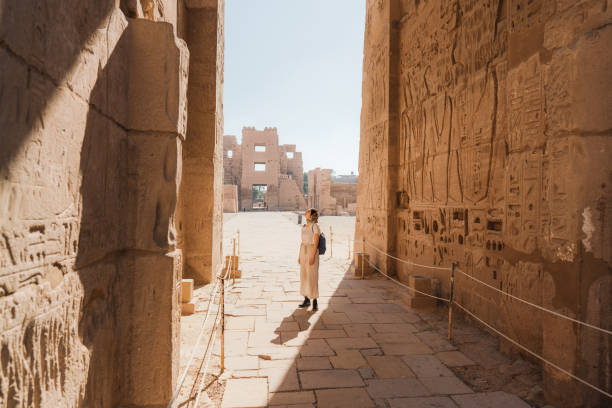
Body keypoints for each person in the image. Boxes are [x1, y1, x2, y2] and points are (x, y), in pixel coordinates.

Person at [298, 208, 320, 311]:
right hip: (303, 251)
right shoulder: (304, 226)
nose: (305, 212)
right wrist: (299, 256)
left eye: (308, 212)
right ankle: (306, 299)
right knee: (304, 275)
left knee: (312, 276)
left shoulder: (315, 226)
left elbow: (316, 242)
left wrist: (312, 256)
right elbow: (302, 242)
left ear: (311, 215)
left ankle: (314, 301)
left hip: (312, 251)